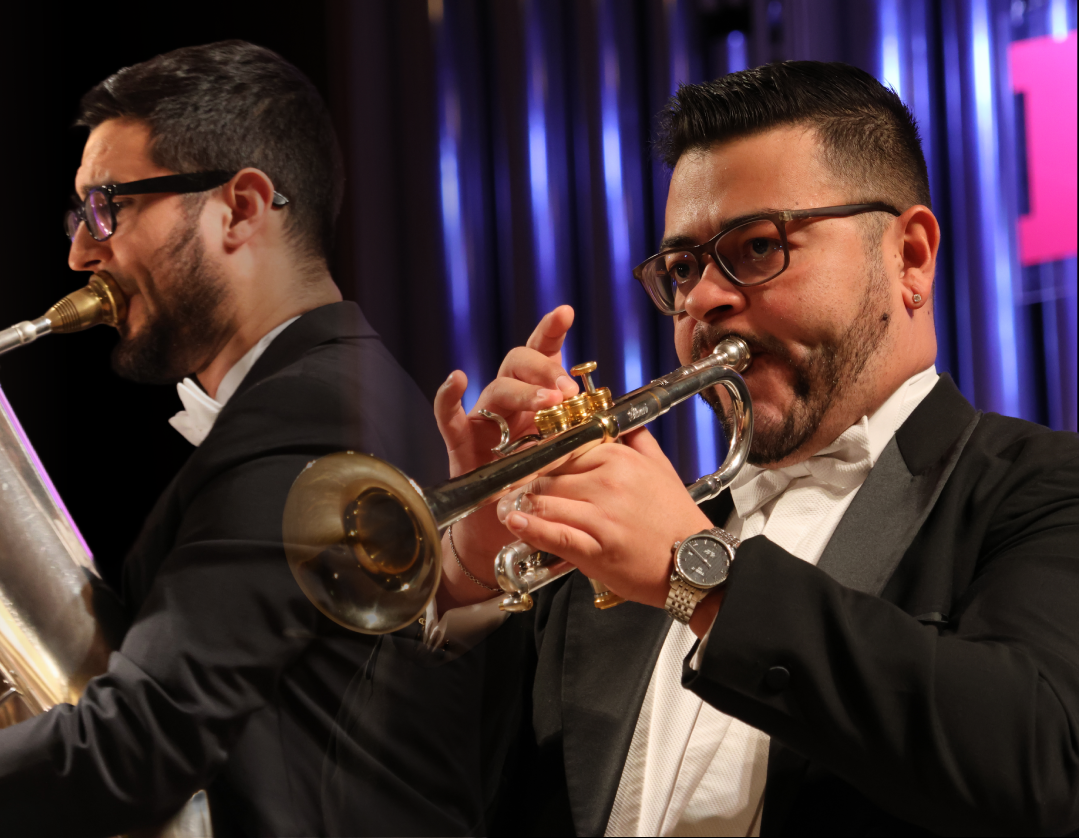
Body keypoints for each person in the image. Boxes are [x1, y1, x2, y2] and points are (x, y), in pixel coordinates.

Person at [0, 40, 523, 837]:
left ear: (239, 208)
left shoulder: (309, 416)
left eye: (107, 207)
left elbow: (141, 744)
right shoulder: (323, 393)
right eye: (79, 213)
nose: (82, 251)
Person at [438, 60, 1079, 835]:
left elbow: (1041, 762)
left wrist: (698, 577)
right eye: (682, 268)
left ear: (909, 256)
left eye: (758, 246)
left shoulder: (1041, 488)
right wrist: (471, 570)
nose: (703, 298)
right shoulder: (611, 557)